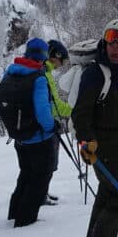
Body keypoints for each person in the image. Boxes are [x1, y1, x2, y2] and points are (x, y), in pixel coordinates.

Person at [73, 19, 118, 237]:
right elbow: (80, 113)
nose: (115, 47)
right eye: (111, 39)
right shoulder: (95, 73)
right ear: (104, 40)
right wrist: (86, 141)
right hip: (102, 143)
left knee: (107, 191)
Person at [2, 37, 57, 227]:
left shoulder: (10, 73)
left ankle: (14, 214)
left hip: (19, 137)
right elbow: (43, 111)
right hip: (38, 138)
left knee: (25, 175)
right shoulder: (38, 78)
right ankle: (24, 222)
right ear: (42, 56)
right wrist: (52, 126)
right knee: (40, 179)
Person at [43, 39, 73, 205]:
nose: (60, 66)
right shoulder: (45, 74)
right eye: (61, 61)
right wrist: (73, 110)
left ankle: (42, 192)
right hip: (48, 127)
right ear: (55, 56)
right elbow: (55, 105)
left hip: (39, 127)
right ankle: (41, 194)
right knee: (47, 165)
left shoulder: (42, 72)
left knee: (42, 166)